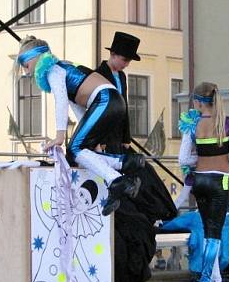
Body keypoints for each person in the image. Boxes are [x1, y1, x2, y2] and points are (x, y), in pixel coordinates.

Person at [17, 36, 143, 216]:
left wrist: (59, 136)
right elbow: (78, 107)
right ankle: (125, 163)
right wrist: (93, 138)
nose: (26, 71)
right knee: (82, 149)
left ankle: (116, 180)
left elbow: (61, 102)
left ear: (35, 58)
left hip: (105, 100)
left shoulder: (53, 70)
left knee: (74, 149)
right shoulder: (64, 68)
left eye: (26, 65)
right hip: (112, 101)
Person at [178, 82, 229, 282]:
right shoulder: (228, 122)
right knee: (215, 233)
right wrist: (221, 158)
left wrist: (202, 158)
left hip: (199, 181)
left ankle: (216, 281)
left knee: (208, 231)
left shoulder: (191, 123)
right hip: (220, 181)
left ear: (197, 102)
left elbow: (183, 159)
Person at [96, 31, 140, 152]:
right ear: (112, 54)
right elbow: (100, 109)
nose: (126, 64)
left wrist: (126, 138)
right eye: (124, 60)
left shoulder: (122, 76)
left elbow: (124, 105)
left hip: (119, 134)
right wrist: (101, 140)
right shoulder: (99, 74)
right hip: (105, 133)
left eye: (129, 61)